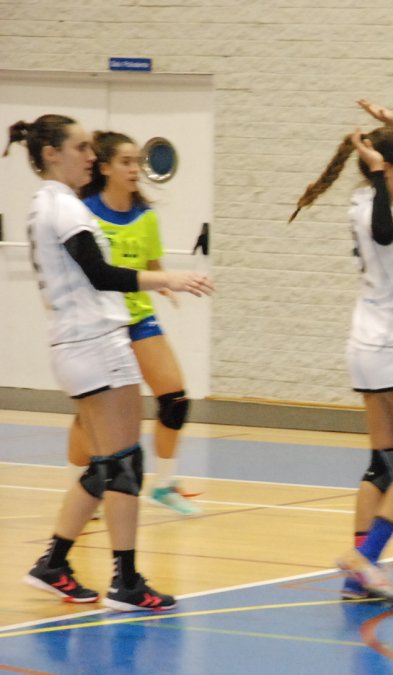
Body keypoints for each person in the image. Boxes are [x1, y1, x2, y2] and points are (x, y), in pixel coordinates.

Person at [6, 114, 213, 611]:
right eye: (80, 147)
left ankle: (53, 564)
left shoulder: (44, 204)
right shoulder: (65, 207)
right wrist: (167, 279)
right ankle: (127, 583)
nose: (90, 156)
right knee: (125, 464)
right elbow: (99, 273)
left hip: (73, 346)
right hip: (96, 344)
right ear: (51, 154)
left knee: (105, 467)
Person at [289, 100, 393, 604]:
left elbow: (385, 219)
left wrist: (388, 131)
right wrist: (381, 169)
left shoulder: (369, 201)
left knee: (386, 463)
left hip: (369, 345)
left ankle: (358, 578)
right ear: (386, 169)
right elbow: (383, 232)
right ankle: (367, 559)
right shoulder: (376, 209)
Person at [59, 130, 202, 516]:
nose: (135, 169)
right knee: (91, 415)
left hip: (138, 318)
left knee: (175, 401)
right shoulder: (83, 213)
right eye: (126, 162)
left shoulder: (145, 218)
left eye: (137, 162)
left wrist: (168, 285)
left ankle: (164, 485)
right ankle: (77, 490)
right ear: (105, 168)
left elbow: (153, 267)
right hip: (100, 324)